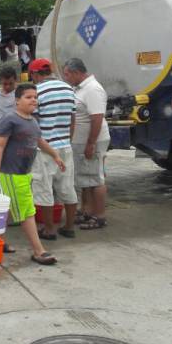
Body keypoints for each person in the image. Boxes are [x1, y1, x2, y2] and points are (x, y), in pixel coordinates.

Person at [0, 84, 65, 265]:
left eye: (35, 97)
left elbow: (39, 141)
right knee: (26, 212)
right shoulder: (9, 119)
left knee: (7, 210)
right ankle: (39, 251)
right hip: (12, 174)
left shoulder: (32, 121)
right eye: (28, 97)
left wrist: (55, 155)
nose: (33, 100)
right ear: (17, 100)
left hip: (24, 174)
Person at [28, 58, 79, 240]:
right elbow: (73, 121)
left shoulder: (36, 92)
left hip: (45, 149)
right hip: (65, 146)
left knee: (44, 188)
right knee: (67, 186)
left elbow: (34, 124)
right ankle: (69, 226)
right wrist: (66, 140)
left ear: (35, 74)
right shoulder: (68, 89)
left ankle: (49, 229)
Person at [63, 58, 110, 230]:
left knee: (96, 179)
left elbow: (96, 118)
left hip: (93, 140)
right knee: (86, 178)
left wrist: (90, 143)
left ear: (76, 73)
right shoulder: (80, 88)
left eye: (67, 74)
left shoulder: (92, 89)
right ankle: (87, 211)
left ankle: (99, 216)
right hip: (82, 141)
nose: (66, 77)